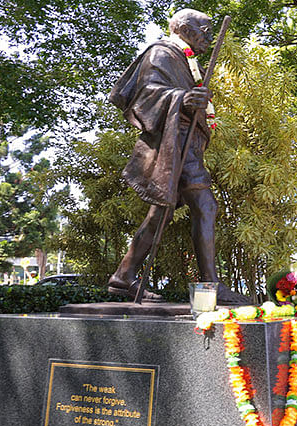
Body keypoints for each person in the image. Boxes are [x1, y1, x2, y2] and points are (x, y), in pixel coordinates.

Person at [106, 9, 247, 305]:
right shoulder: (162, 53)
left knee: (162, 212)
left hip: (187, 143)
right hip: (174, 140)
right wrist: (182, 98)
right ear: (183, 28)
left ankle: (123, 276)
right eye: (203, 31)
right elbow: (146, 95)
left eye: (210, 32)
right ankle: (210, 285)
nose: (208, 37)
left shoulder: (186, 60)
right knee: (205, 205)